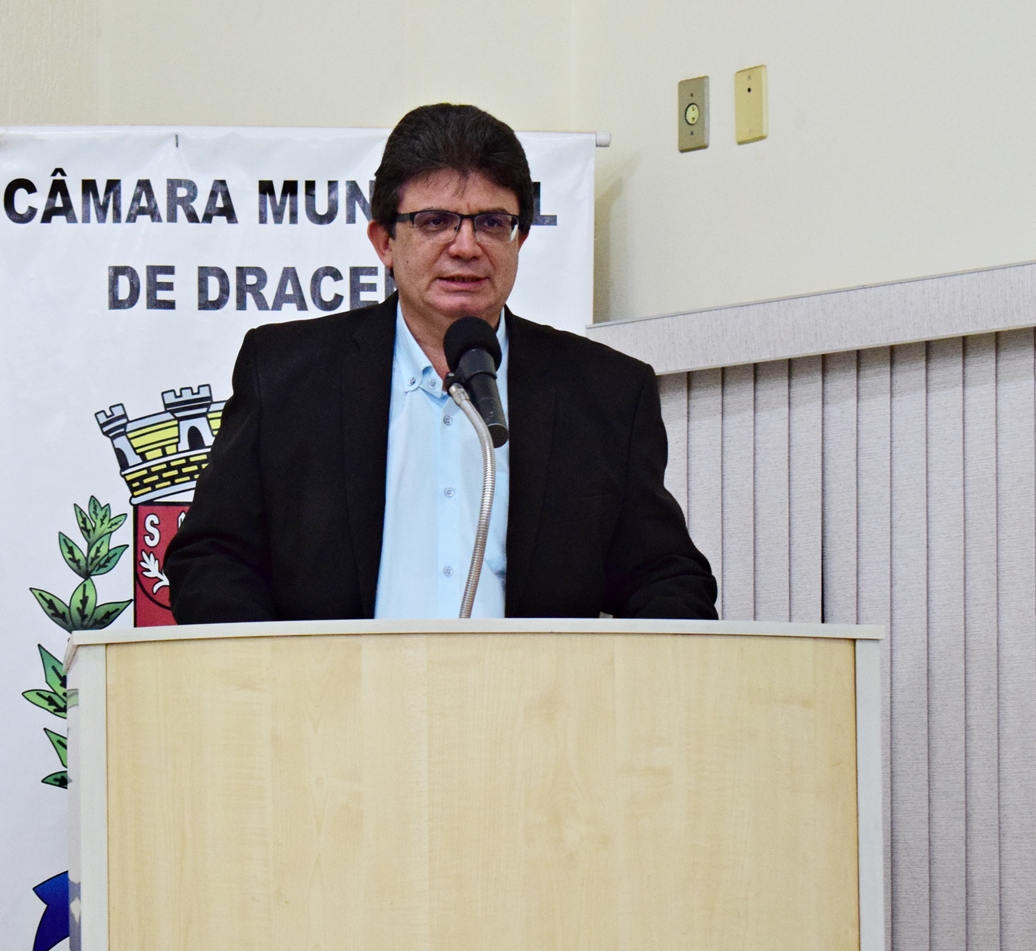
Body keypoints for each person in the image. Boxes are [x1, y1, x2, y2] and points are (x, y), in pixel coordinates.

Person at [164, 103, 717, 622]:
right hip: (336, 689)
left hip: (531, 691)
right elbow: (213, 558)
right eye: (434, 221)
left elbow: (664, 576)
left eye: (492, 222)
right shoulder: (286, 374)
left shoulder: (606, 392)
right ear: (384, 241)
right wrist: (277, 677)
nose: (466, 246)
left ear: (520, 239)